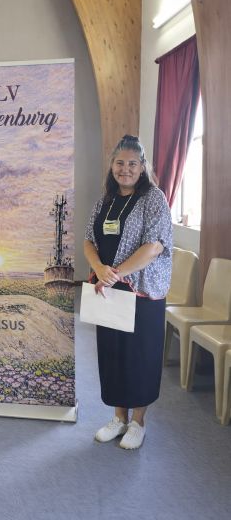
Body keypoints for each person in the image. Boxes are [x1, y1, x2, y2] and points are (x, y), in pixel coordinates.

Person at [84, 134, 172, 449]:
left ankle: (138, 422)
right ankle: (119, 418)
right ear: (112, 166)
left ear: (142, 166)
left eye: (132, 164)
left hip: (141, 293)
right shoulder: (105, 200)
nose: (125, 169)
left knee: (140, 356)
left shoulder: (154, 198)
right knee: (113, 355)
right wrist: (100, 268)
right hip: (109, 290)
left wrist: (116, 273)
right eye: (120, 163)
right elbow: (89, 239)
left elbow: (154, 246)